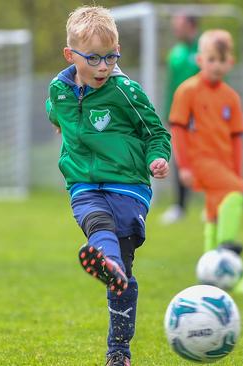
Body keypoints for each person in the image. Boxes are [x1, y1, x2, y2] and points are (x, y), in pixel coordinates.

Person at [45, 6, 171, 366]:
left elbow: (156, 132)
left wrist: (156, 158)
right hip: (83, 183)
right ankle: (107, 264)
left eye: (111, 57)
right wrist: (62, 127)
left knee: (124, 274)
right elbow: (55, 112)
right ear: (71, 56)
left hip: (128, 186)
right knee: (96, 224)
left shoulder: (126, 91)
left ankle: (119, 348)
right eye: (95, 58)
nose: (104, 66)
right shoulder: (59, 90)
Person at [168, 29, 243, 255]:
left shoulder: (231, 97)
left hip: (223, 163)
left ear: (230, 62)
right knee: (237, 190)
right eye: (211, 59)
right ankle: (227, 243)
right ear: (201, 60)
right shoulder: (187, 91)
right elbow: (178, 129)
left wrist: (237, 170)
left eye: (221, 60)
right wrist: (184, 166)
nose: (216, 65)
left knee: (214, 210)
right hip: (199, 160)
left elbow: (236, 138)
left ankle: (210, 261)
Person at [159, 14, 200, 225]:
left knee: (206, 157)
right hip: (179, 116)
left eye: (180, 26)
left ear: (191, 26)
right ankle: (180, 207)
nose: (176, 30)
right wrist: (169, 113)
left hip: (202, 115)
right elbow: (171, 87)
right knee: (181, 159)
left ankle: (212, 204)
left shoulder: (204, 50)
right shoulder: (175, 54)